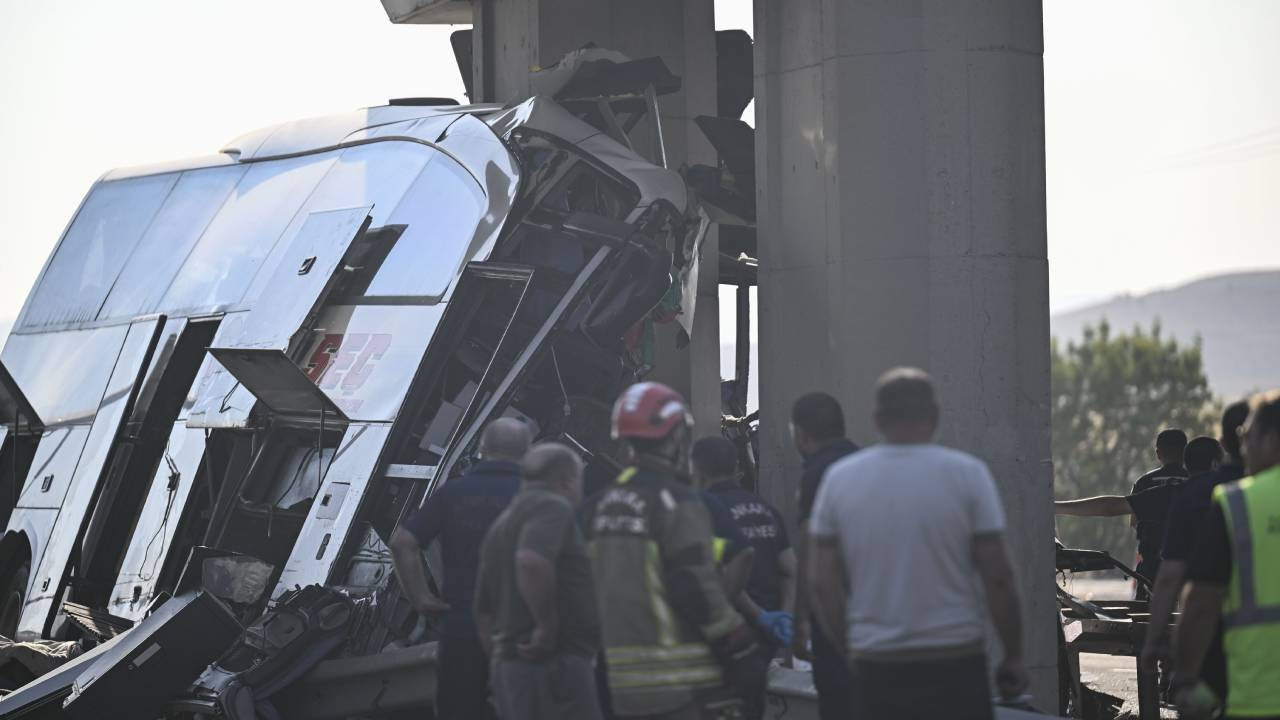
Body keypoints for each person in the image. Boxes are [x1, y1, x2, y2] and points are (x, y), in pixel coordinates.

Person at [809, 368, 1027, 720]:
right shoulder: (968, 475)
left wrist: (850, 645)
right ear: (936, 415)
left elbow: (822, 584)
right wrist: (1013, 656)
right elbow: (998, 577)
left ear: (877, 419)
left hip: (877, 664)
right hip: (955, 661)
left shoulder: (840, 480)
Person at [582, 382, 764, 719]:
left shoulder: (593, 509)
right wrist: (738, 641)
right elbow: (693, 583)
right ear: (675, 439)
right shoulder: (675, 502)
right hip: (679, 686)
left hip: (618, 684)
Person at [389, 418, 531, 720]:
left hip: (462, 629)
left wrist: (421, 599)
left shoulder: (453, 493)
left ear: (481, 448)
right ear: (527, 452)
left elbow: (402, 544)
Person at [474, 443, 602, 720]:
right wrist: (546, 627)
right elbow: (531, 560)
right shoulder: (552, 506)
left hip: (512, 672)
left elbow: (483, 612)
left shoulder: (502, 525)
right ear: (567, 480)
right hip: (555, 668)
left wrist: (501, 662)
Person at [1173, 390, 1280, 720]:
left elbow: (1201, 603)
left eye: (1246, 437)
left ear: (1272, 440)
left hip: (1259, 697)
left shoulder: (1239, 504)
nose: (1242, 449)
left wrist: (1187, 679)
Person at [1143, 405, 1249, 702]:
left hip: (1212, 641)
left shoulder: (1193, 496)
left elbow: (1173, 580)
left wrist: (1153, 642)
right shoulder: (1260, 492)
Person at [692, 436, 796, 658]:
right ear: (735, 466)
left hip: (729, 633)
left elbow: (720, 572)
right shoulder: (766, 509)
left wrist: (757, 616)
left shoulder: (703, 510)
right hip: (768, 637)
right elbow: (790, 571)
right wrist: (783, 618)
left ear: (698, 470)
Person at [788, 392, 858, 720]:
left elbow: (810, 552)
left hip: (833, 620)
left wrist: (800, 621)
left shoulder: (816, 473)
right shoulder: (864, 463)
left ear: (800, 434)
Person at [1055, 430, 1196, 587]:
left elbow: (1131, 521)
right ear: (1185, 452)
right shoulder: (1197, 482)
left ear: (1158, 453)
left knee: (1149, 606)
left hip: (1152, 568)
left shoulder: (1145, 482)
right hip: (1194, 570)